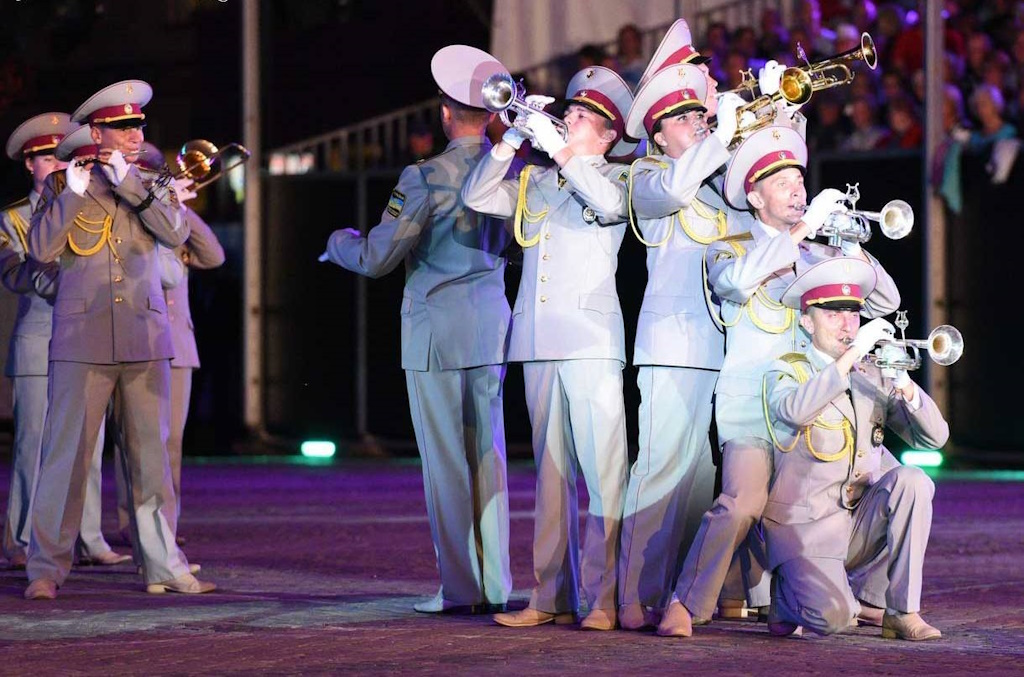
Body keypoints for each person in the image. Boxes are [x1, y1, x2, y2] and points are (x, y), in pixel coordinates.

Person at [657, 124, 901, 637]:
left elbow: (886, 303)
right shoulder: (730, 247)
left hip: (816, 411)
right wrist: (800, 230)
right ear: (753, 194)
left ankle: (869, 596)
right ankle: (685, 602)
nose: (797, 189)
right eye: (783, 181)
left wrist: (851, 248)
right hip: (754, 411)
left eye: (799, 179)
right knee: (742, 503)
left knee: (894, 482)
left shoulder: (820, 256)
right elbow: (737, 284)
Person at [322, 45, 513, 615]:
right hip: (491, 327)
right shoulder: (515, 169)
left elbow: (380, 257)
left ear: (447, 114)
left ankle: (460, 587)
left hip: (435, 332)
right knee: (490, 455)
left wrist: (339, 244)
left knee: (446, 461)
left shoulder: (425, 175)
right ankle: (497, 584)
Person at [462, 65, 635, 631]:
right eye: (571, 112)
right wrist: (510, 137)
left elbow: (609, 206)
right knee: (551, 474)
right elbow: (479, 194)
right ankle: (549, 595)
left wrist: (562, 150)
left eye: (583, 117)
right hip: (536, 341)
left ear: (607, 135)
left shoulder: (616, 177)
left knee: (604, 474)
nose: (569, 119)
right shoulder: (539, 180)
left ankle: (606, 598)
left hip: (590, 343)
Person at [25, 80, 213, 599]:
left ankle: (162, 564)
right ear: (98, 131)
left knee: (151, 462)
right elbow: (40, 250)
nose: (137, 135)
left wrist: (130, 181)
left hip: (144, 338)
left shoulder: (151, 183)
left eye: (139, 127)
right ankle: (46, 566)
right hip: (81, 340)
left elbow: (176, 233)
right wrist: (75, 196)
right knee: (66, 459)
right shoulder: (66, 189)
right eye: (125, 127)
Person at [614, 48, 749, 629]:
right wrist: (722, 137)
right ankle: (626, 594)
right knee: (659, 472)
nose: (698, 123)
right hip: (669, 347)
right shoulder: (647, 175)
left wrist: (772, 118)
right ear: (658, 136)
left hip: (715, 349)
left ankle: (683, 591)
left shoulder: (715, 186)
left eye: (701, 115)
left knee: (698, 482)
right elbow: (671, 193)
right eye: (683, 119)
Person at [762, 256, 947, 641]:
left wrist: (906, 384)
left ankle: (901, 610)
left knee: (913, 482)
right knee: (833, 620)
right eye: (833, 315)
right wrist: (849, 358)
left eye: (853, 315)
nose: (847, 325)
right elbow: (794, 412)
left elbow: (935, 439)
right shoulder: (785, 369)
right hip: (806, 531)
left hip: (854, 527)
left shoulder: (871, 373)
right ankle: (788, 592)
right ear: (807, 321)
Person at [1, 113, 129, 569]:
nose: (54, 165)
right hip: (39, 341)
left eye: (60, 157)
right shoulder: (12, 217)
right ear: (28, 165)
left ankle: (88, 538)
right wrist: (68, 279)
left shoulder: (87, 200)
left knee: (88, 445)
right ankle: (21, 540)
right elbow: (16, 273)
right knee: (34, 447)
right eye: (43, 159)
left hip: (81, 336)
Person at [112, 141, 226, 545]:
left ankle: (165, 530)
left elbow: (214, 256)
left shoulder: (174, 214)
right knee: (132, 441)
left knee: (169, 444)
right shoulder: (121, 212)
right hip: (134, 336)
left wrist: (178, 204)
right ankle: (132, 527)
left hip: (177, 344)